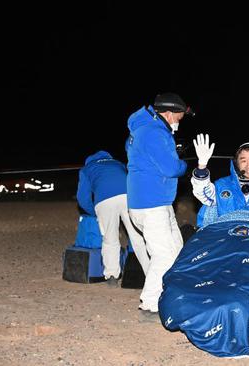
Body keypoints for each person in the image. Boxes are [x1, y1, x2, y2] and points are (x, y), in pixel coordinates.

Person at [125, 92, 192, 321]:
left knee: (175, 248)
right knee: (164, 255)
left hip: (151, 202)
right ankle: (150, 304)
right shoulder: (155, 132)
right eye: (180, 117)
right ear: (170, 113)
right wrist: (183, 162)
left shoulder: (142, 130)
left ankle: (172, 295)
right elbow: (171, 169)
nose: (179, 122)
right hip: (152, 204)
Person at [76, 150, 150, 287]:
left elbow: (82, 198)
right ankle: (151, 275)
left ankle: (112, 276)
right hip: (129, 197)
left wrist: (93, 212)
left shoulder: (86, 169)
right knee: (138, 237)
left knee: (110, 239)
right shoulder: (118, 163)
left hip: (104, 200)